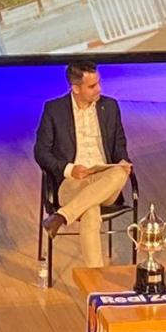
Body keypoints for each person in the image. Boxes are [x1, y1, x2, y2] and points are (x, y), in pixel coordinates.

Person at [34, 61, 133, 271]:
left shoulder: (110, 106)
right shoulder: (54, 110)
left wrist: (123, 160)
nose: (99, 89)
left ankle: (62, 216)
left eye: (98, 83)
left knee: (118, 173)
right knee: (91, 210)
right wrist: (70, 169)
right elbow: (41, 152)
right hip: (72, 181)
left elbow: (119, 145)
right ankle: (96, 278)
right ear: (76, 88)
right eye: (92, 86)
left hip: (105, 177)